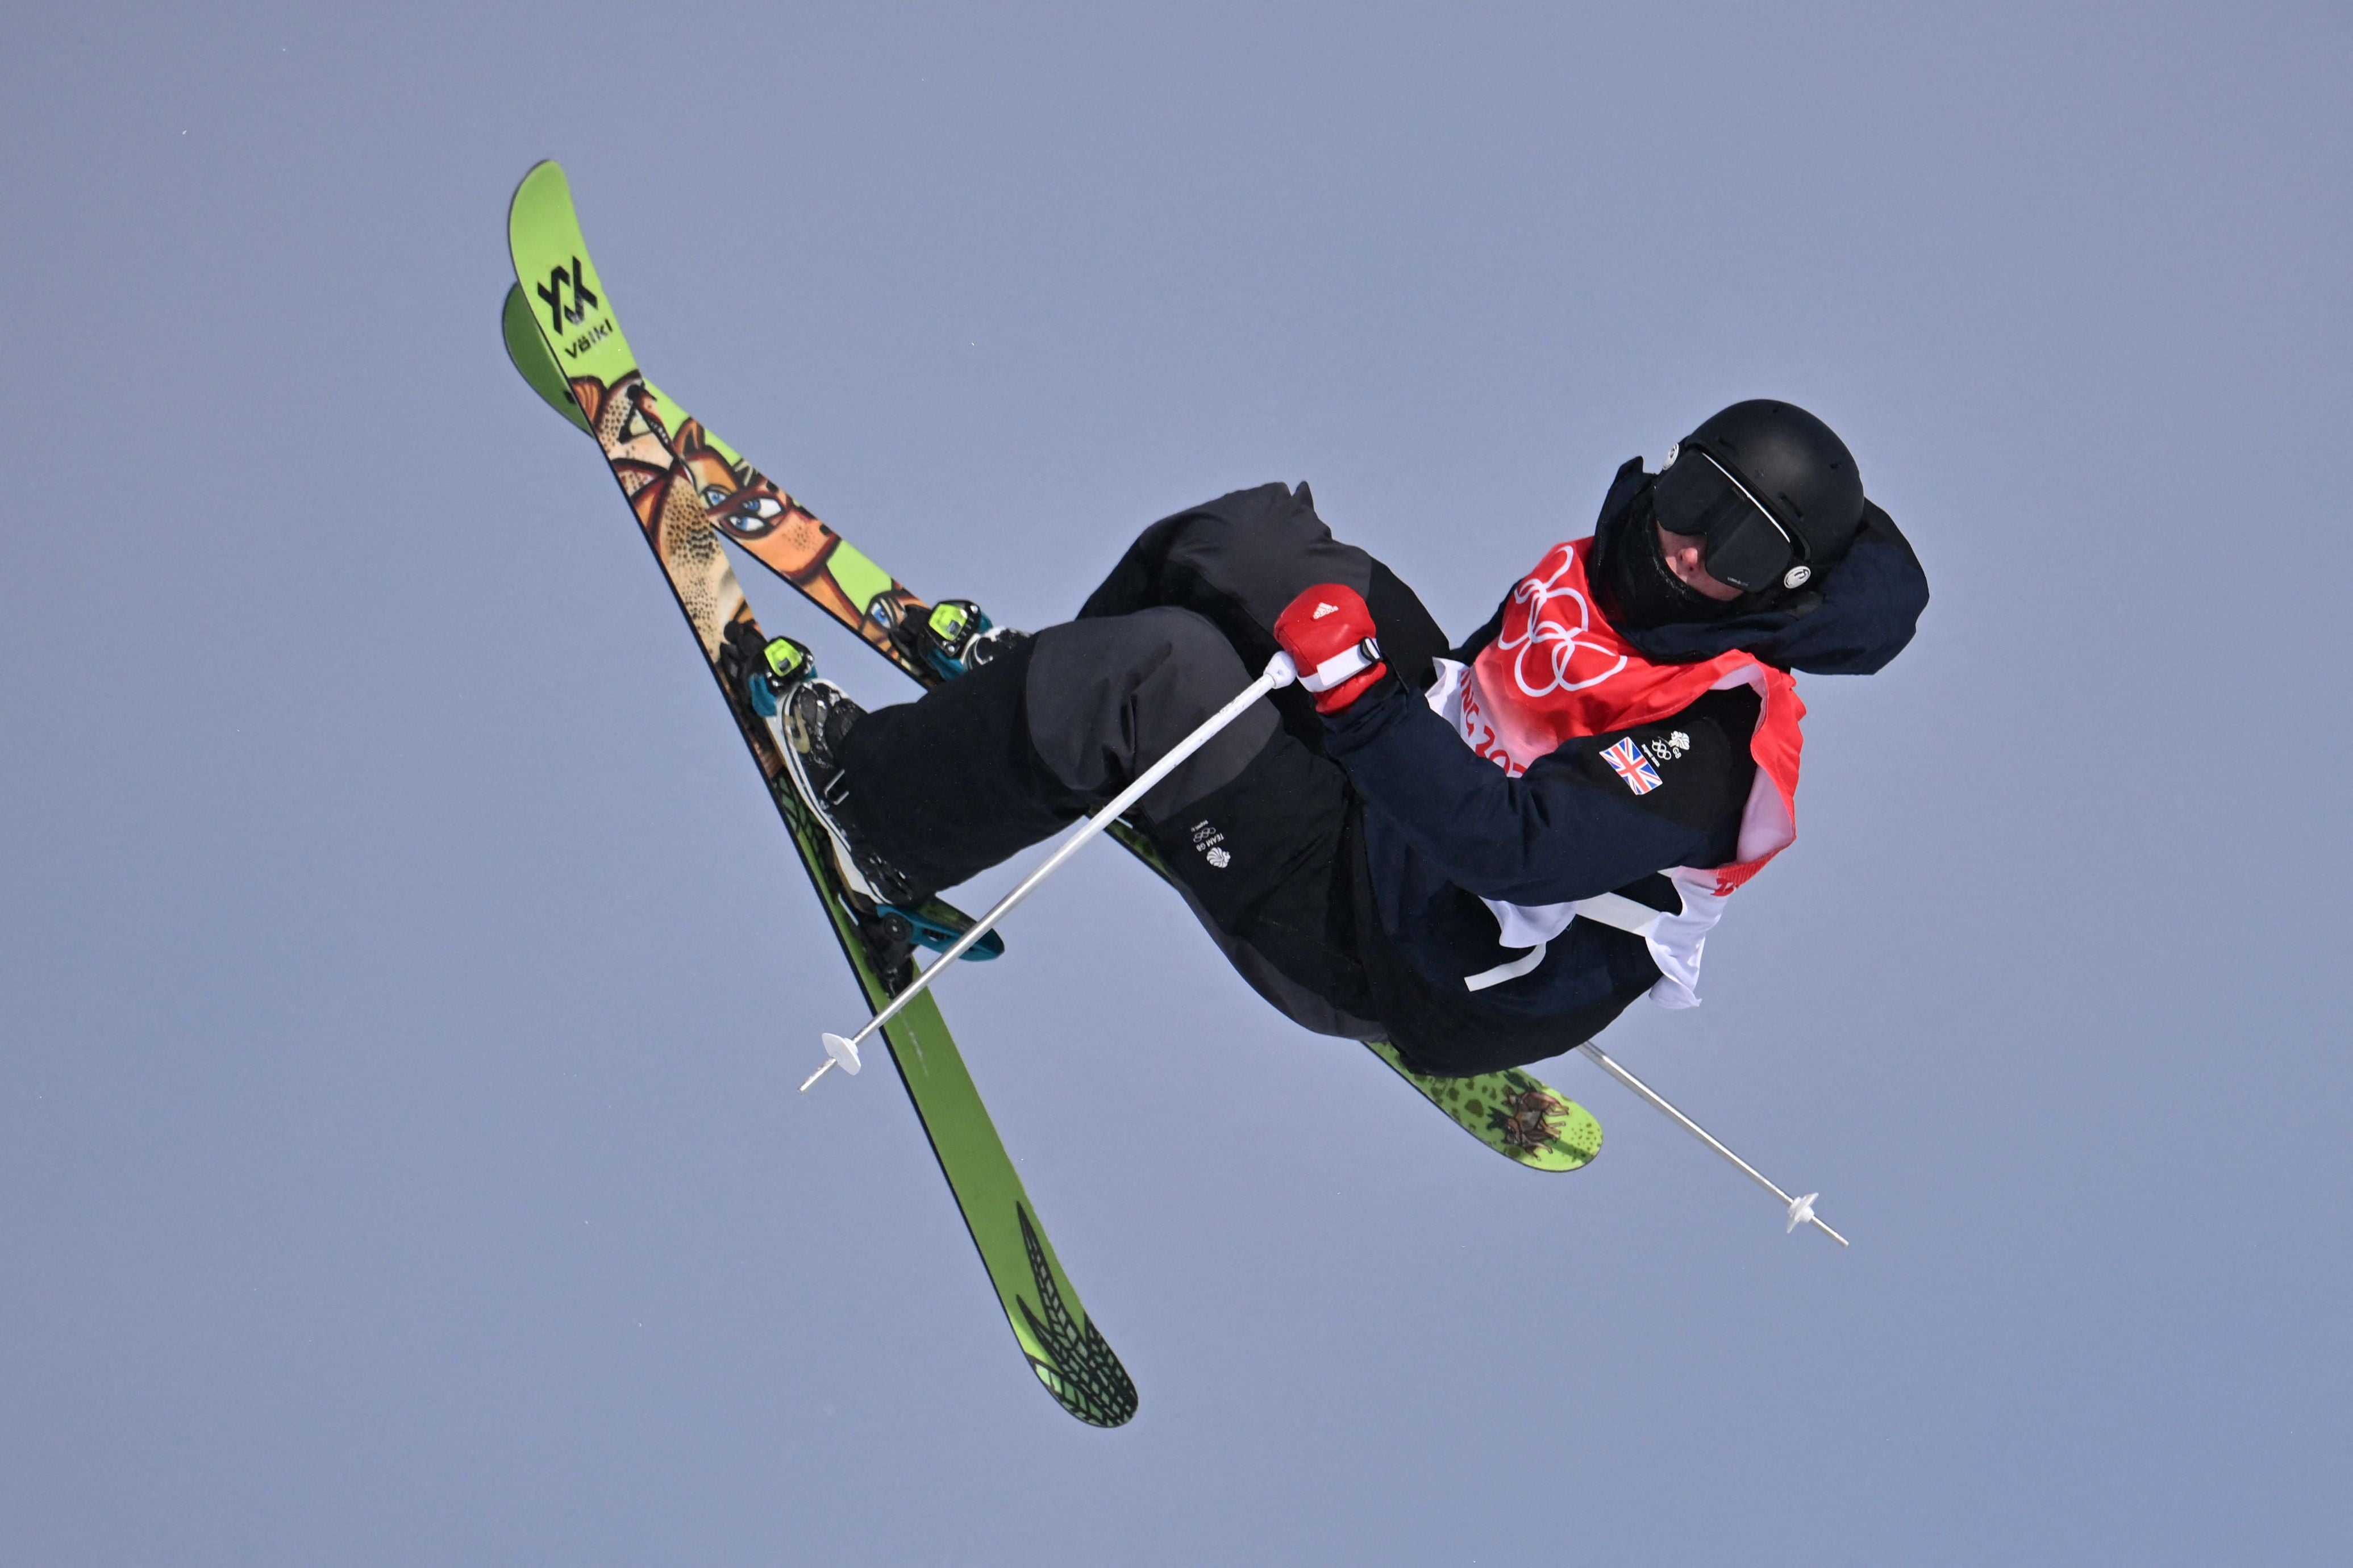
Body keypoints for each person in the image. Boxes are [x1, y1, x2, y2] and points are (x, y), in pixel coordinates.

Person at [772, 399, 1929, 1077]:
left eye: (1732, 554)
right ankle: (1024, 721)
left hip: (1408, 944)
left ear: (1773, 591)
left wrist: (1355, 698)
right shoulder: (1623, 564)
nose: (1688, 552)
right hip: (1400, 805)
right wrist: (1359, 688)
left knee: (1154, 672)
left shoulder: (1722, 735)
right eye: (1696, 505)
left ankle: (881, 830)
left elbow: (1519, 849)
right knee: (1244, 541)